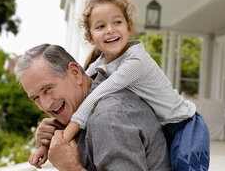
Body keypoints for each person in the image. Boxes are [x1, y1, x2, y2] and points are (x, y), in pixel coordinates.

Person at [34, 0, 210, 170]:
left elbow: (95, 95)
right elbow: (82, 80)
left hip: (185, 126)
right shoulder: (102, 62)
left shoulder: (135, 61)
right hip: (165, 126)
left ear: (129, 27)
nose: (110, 29)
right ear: (90, 37)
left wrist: (62, 141)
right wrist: (46, 143)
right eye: (101, 26)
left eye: (117, 22)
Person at [14, 44, 171, 170]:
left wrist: (72, 168)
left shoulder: (108, 117)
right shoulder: (83, 106)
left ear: (75, 73)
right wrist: (54, 135)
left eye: (48, 89)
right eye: (36, 98)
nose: (46, 105)